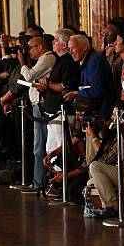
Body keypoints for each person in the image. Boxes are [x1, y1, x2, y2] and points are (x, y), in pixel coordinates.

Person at [18, 36, 57, 192]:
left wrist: (22, 62)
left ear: (40, 47)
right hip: (38, 104)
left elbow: (29, 76)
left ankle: (39, 183)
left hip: (41, 106)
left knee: (40, 145)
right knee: (39, 145)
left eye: (30, 47)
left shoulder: (47, 58)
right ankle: (40, 182)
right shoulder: (43, 60)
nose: (28, 51)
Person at [37, 29, 80, 159]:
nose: (53, 43)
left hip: (62, 111)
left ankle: (62, 177)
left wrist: (48, 83)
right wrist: (45, 85)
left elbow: (64, 87)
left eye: (55, 40)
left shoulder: (68, 62)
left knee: (60, 149)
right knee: (50, 148)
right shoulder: (59, 59)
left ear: (64, 45)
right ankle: (54, 177)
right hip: (53, 111)